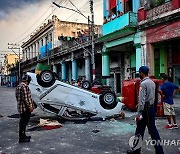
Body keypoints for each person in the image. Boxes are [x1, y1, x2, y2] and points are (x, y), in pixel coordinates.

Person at [127, 66, 164, 154]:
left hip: (145, 110)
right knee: (147, 130)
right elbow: (152, 97)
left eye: (139, 73)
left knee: (145, 130)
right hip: (150, 109)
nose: (139, 74)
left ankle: (137, 150)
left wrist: (139, 114)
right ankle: (158, 151)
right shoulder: (151, 82)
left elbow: (142, 99)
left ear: (142, 73)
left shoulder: (143, 84)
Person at [15, 74, 35, 143]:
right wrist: (30, 107)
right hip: (25, 108)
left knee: (22, 122)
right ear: (27, 80)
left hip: (20, 107)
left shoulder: (18, 86)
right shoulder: (24, 86)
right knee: (23, 123)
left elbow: (18, 97)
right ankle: (22, 138)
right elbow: (26, 99)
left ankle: (23, 136)